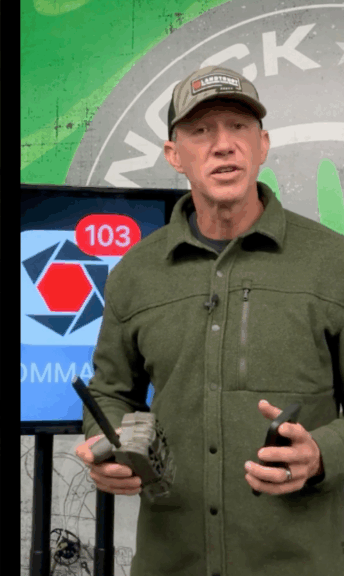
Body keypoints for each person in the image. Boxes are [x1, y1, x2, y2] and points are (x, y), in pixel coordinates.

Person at [75, 65, 344, 575]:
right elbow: (110, 391)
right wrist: (105, 445)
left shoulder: (334, 263)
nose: (224, 145)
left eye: (238, 127)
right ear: (174, 155)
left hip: (300, 562)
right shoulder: (136, 271)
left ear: (262, 144)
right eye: (201, 130)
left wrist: (324, 453)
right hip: (171, 561)